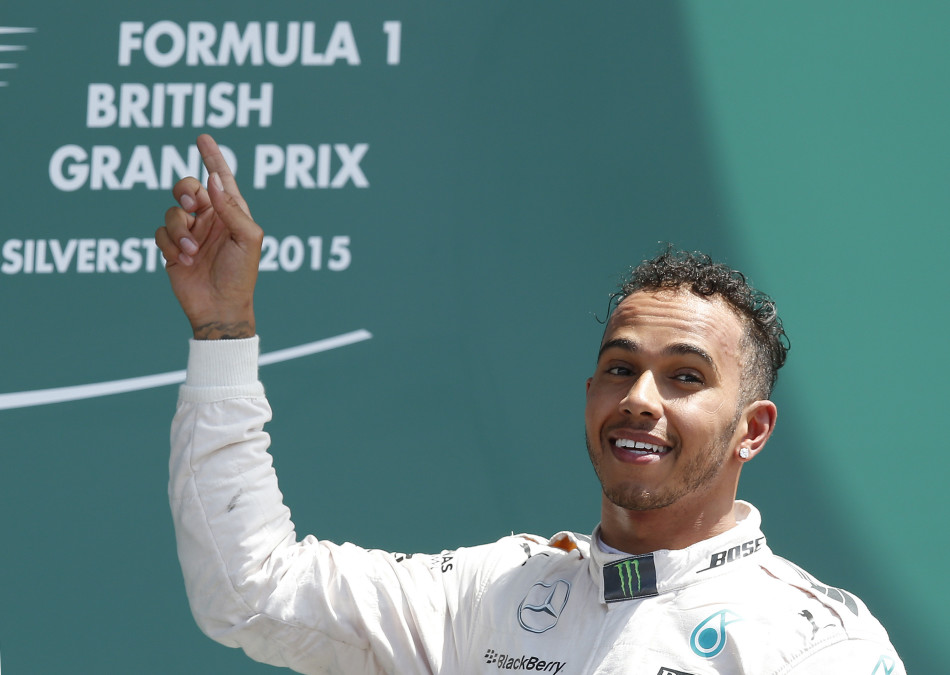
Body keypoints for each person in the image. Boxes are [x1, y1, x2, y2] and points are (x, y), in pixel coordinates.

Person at [156, 135, 905, 674]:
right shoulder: (492, 594)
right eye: (620, 368)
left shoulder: (817, 644)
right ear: (590, 396)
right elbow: (249, 591)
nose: (640, 399)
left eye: (685, 377)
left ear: (753, 430)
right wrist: (224, 331)